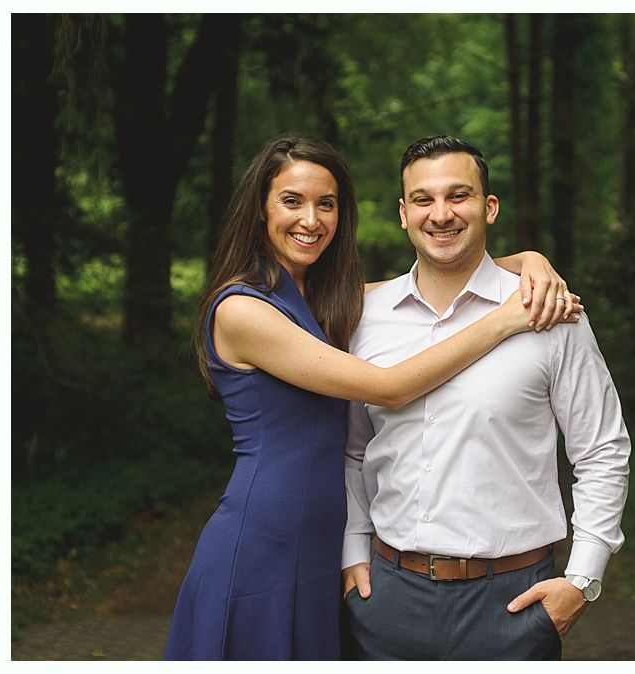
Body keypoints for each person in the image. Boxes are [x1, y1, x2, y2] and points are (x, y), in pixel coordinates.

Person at [163, 133, 578, 660]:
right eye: (291, 201)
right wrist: (504, 320)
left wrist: (529, 260)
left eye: (326, 204)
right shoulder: (242, 310)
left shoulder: (321, 300)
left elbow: (436, 273)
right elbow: (391, 387)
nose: (311, 220)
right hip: (263, 539)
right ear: (259, 210)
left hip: (319, 541)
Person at [341, 135, 630, 660]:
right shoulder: (365, 318)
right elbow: (353, 449)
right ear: (403, 214)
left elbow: (602, 449)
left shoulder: (549, 312)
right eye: (423, 200)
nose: (441, 214)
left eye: (460, 195)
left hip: (512, 602)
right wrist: (350, 553)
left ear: (489, 207)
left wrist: (582, 579)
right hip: (384, 599)